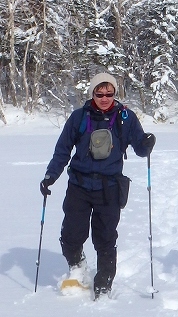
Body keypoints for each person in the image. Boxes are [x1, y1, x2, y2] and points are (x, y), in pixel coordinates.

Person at [40, 73, 156, 298]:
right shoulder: (79, 117)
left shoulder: (126, 118)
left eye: (109, 93)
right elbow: (63, 149)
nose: (104, 98)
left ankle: (104, 281)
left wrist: (146, 143)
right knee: (72, 235)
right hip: (79, 186)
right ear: (92, 93)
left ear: (115, 93)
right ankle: (77, 266)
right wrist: (50, 176)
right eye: (99, 93)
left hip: (110, 188)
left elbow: (141, 150)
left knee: (105, 238)